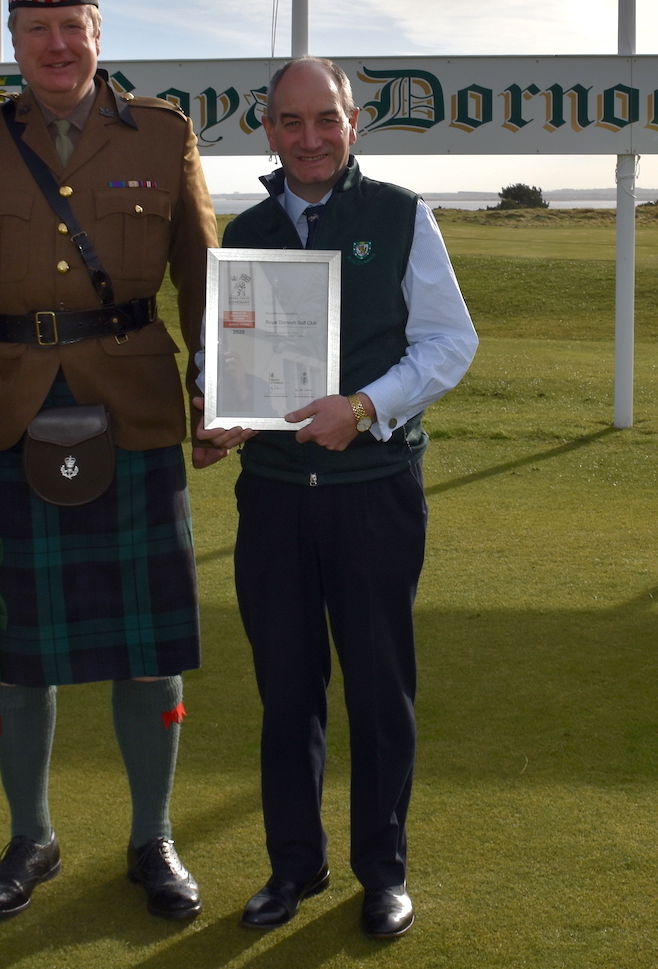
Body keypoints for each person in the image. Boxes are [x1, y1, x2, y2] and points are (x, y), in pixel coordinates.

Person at [0, 0, 219, 922]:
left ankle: (152, 837)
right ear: (11, 40)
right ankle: (28, 836)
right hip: (4, 412)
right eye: (35, 28)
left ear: (97, 31)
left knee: (146, 648)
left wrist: (217, 401)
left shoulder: (163, 133)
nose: (55, 43)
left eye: (71, 24)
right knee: (11, 650)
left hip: (132, 409)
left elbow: (205, 279)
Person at [198, 56, 478, 940]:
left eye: (326, 119)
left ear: (354, 124)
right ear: (267, 130)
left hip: (373, 494)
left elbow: (447, 345)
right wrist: (216, 412)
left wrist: (363, 408)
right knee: (286, 691)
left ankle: (382, 872)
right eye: (291, 121)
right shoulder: (243, 229)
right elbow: (219, 359)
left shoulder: (399, 216)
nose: (309, 137)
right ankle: (294, 866)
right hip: (274, 499)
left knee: (380, 688)